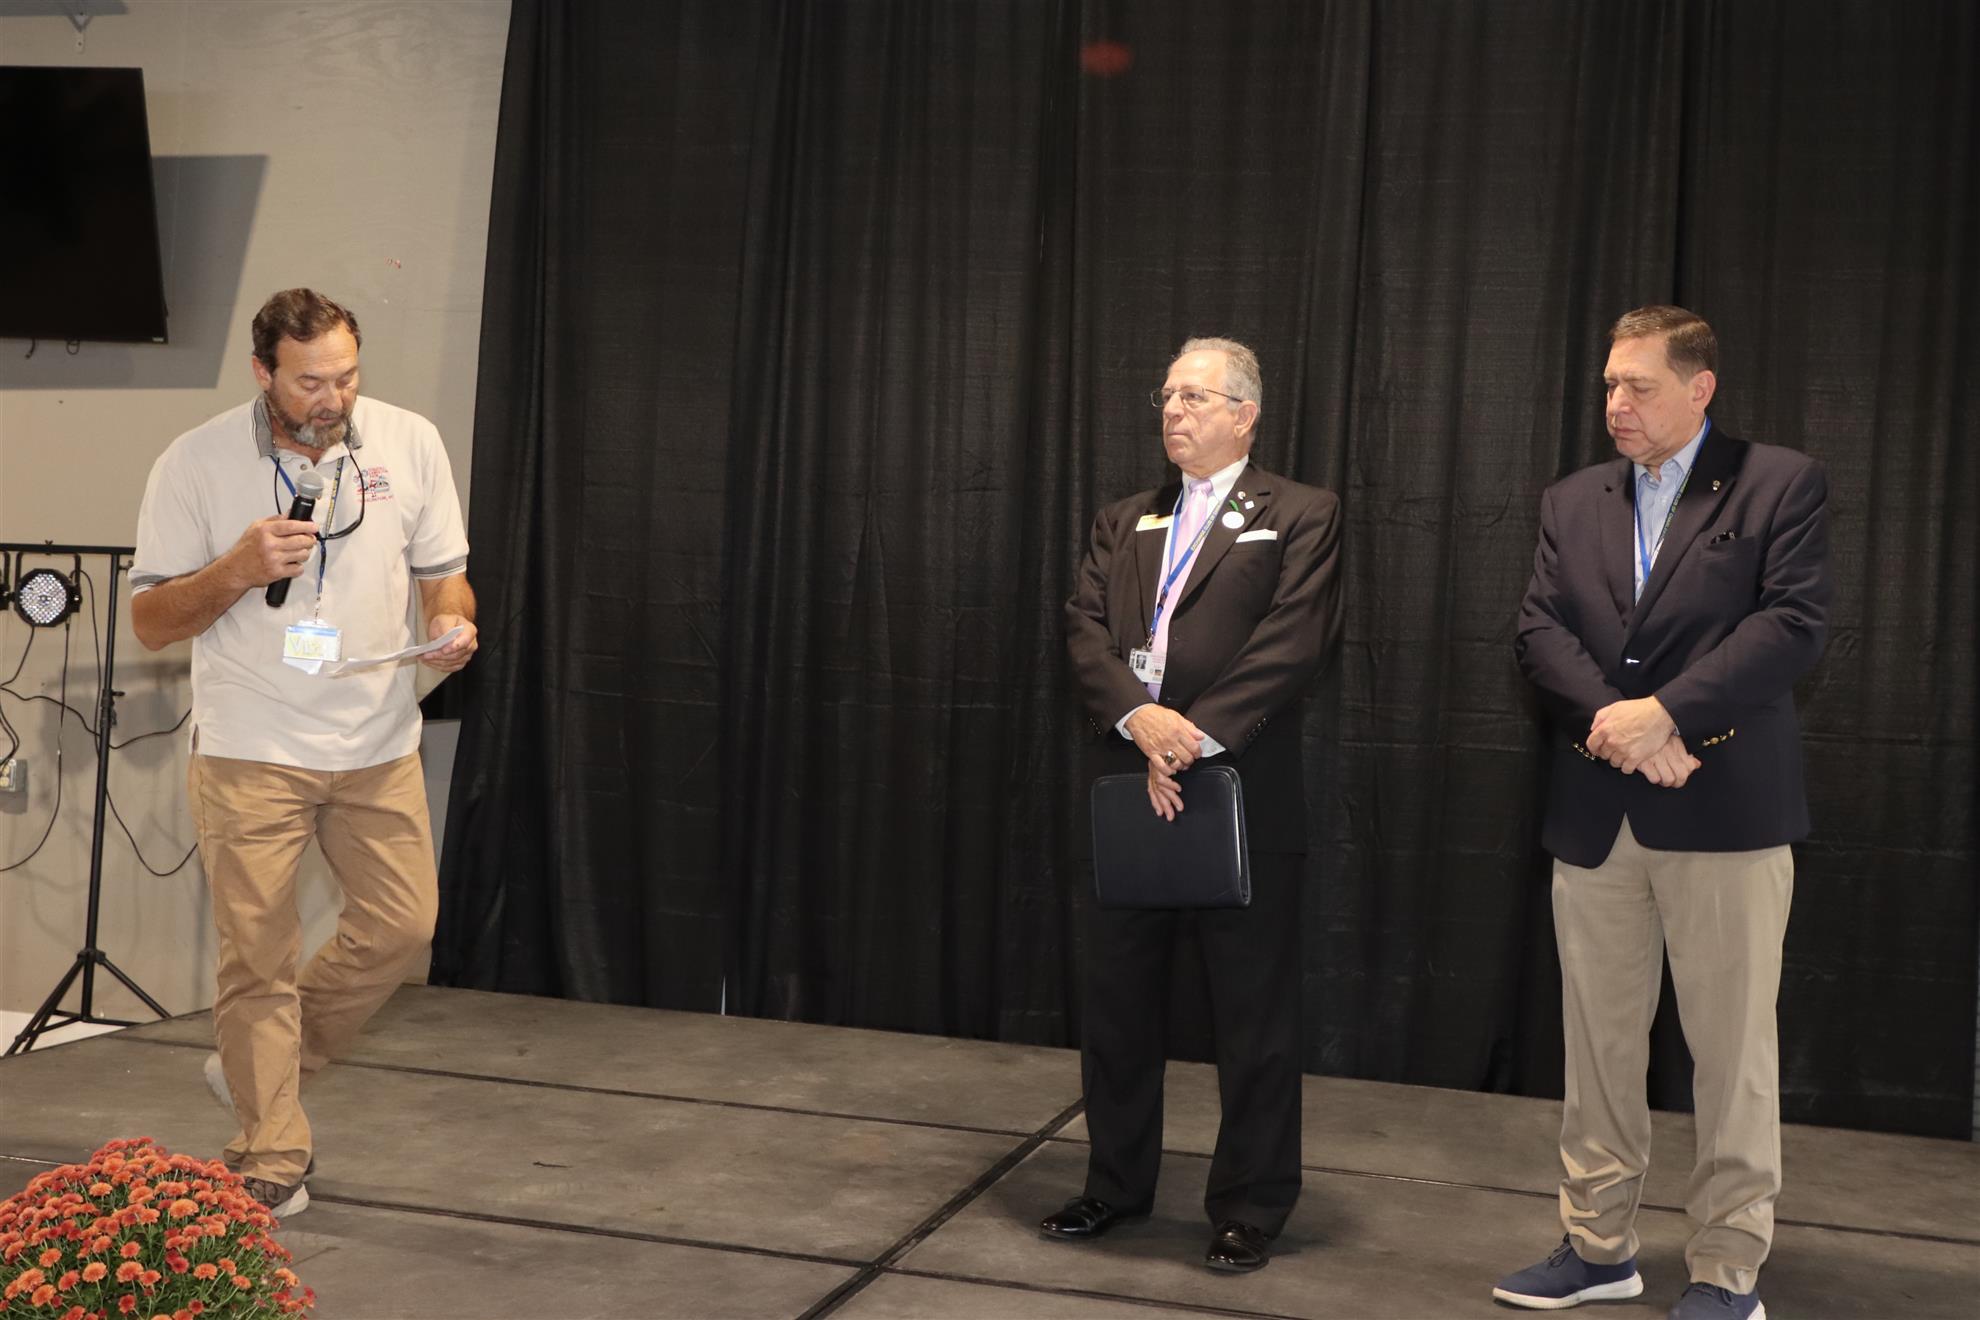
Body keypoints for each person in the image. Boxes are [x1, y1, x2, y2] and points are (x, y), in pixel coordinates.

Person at [1498, 306, 1830, 1320]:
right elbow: (1539, 629)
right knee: (1598, 1049)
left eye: (1638, 385)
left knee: (1731, 1058)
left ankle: (1728, 1268)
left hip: (1725, 812)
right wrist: (1619, 723)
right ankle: (1600, 1248)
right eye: (1609, 384)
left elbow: (1791, 626)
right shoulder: (1574, 497)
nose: (1617, 404)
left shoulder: (1778, 482)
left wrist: (1665, 714)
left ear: (1700, 387)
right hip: (1599, 816)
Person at [131, 288, 477, 1217]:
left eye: (347, 377)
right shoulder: (195, 460)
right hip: (251, 746)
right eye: (310, 382)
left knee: (404, 927)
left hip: (376, 739)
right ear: (263, 373)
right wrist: (237, 569)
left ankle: (266, 1068)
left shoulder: (410, 442)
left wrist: (451, 624)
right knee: (258, 956)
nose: (333, 398)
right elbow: (152, 621)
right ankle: (270, 1148)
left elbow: (446, 577)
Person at [1049, 337, 1342, 1272]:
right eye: (1168, 396)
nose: (1174, 411)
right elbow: (1085, 630)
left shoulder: (1300, 512)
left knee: (1252, 1017)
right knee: (1118, 1009)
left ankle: (1250, 1206)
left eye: (1196, 397)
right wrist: (1140, 719)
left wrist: (1193, 734)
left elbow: (1294, 640)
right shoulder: (1125, 519)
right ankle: (1114, 1186)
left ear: (1245, 415)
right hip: (1129, 786)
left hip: (1239, 794)